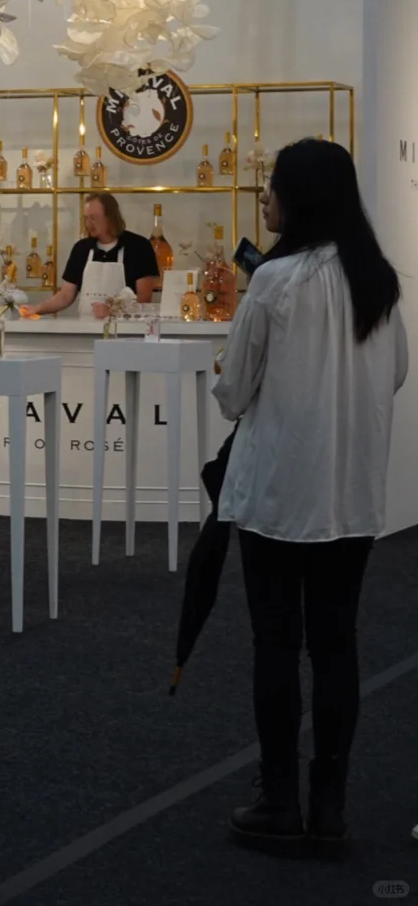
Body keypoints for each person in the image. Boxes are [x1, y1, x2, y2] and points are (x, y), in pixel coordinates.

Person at [214, 139, 407, 850]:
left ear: (301, 196)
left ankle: (280, 800)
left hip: (277, 493)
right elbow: (396, 374)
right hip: (349, 494)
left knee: (275, 645)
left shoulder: (274, 281)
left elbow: (233, 392)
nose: (264, 196)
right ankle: (329, 806)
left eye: (272, 185)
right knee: (336, 646)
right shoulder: (378, 281)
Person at [34, 193, 157, 318]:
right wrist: (36, 309)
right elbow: (65, 295)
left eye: (93, 218)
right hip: (86, 328)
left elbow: (144, 299)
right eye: (86, 218)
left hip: (123, 329)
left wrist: (114, 311)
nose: (88, 224)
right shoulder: (81, 249)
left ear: (110, 217)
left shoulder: (139, 247)